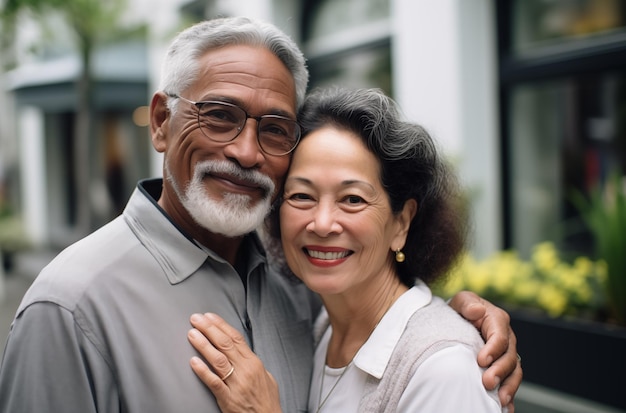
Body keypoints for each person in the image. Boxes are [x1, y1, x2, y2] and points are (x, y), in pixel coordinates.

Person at [0, 17, 520, 413]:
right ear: (161, 121)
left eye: (273, 127)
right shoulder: (69, 307)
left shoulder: (297, 286)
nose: (247, 152)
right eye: (220, 116)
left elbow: (395, 330)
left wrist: (452, 326)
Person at [187, 87, 510, 412]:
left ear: (402, 223)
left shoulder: (443, 367)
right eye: (301, 196)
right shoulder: (322, 329)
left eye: (352, 199)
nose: (323, 224)